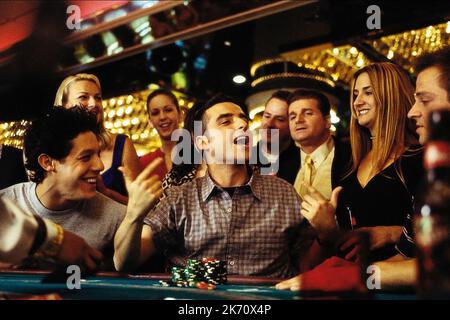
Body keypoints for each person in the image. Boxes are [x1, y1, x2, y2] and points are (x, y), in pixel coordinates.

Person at [277, 48, 450, 291]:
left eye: (368, 93)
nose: (357, 102)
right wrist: (336, 257)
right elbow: (410, 257)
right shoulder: (348, 165)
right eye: (355, 94)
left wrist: (389, 236)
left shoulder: (423, 160)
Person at [113, 94, 318, 278]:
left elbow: (307, 264)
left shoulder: (283, 193)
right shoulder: (179, 198)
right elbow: (124, 263)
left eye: (243, 119)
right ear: (202, 143)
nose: (241, 125)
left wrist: (327, 234)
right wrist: (134, 215)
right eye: (226, 121)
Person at [0, 109, 161, 269]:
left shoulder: (114, 214)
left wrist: (134, 216)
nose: (100, 165)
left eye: (98, 154)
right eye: (85, 157)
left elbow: (126, 265)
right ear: (48, 163)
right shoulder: (7, 201)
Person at [54, 73, 141, 205]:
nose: (94, 103)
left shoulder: (121, 144)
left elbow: (142, 205)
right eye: (83, 97)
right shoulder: (52, 149)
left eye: (98, 97)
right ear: (64, 105)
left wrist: (106, 193)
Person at [0, 196, 103, 270]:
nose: (99, 167)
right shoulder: (10, 194)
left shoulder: (113, 211)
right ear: (47, 164)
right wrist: (55, 240)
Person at [289, 89, 351, 200]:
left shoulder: (352, 158)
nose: (298, 120)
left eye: (308, 113)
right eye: (292, 117)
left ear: (327, 121)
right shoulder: (283, 162)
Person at [256, 90, 300, 184]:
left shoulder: (303, 163)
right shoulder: (245, 159)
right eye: (267, 116)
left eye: (279, 119)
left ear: (291, 124)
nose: (269, 124)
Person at [140, 89, 183, 182]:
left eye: (168, 110)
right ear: (150, 121)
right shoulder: (145, 162)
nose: (162, 117)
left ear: (180, 115)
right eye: (155, 113)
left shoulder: (198, 152)